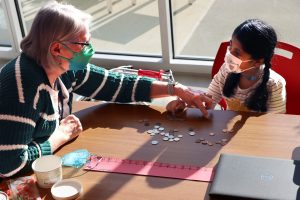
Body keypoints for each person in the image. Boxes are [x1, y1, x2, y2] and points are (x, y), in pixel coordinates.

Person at [0, 1, 212, 178]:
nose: (90, 50)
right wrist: (59, 136)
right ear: (56, 48)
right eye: (84, 44)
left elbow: (116, 84)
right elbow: (9, 164)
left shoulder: (62, 67)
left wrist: (175, 89)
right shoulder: (21, 86)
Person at [206, 19, 286, 113]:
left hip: (260, 127)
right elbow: (209, 99)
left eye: (237, 52)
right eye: (230, 45)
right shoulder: (226, 70)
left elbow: (276, 121)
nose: (229, 54)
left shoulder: (274, 85)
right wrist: (203, 105)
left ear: (258, 61)